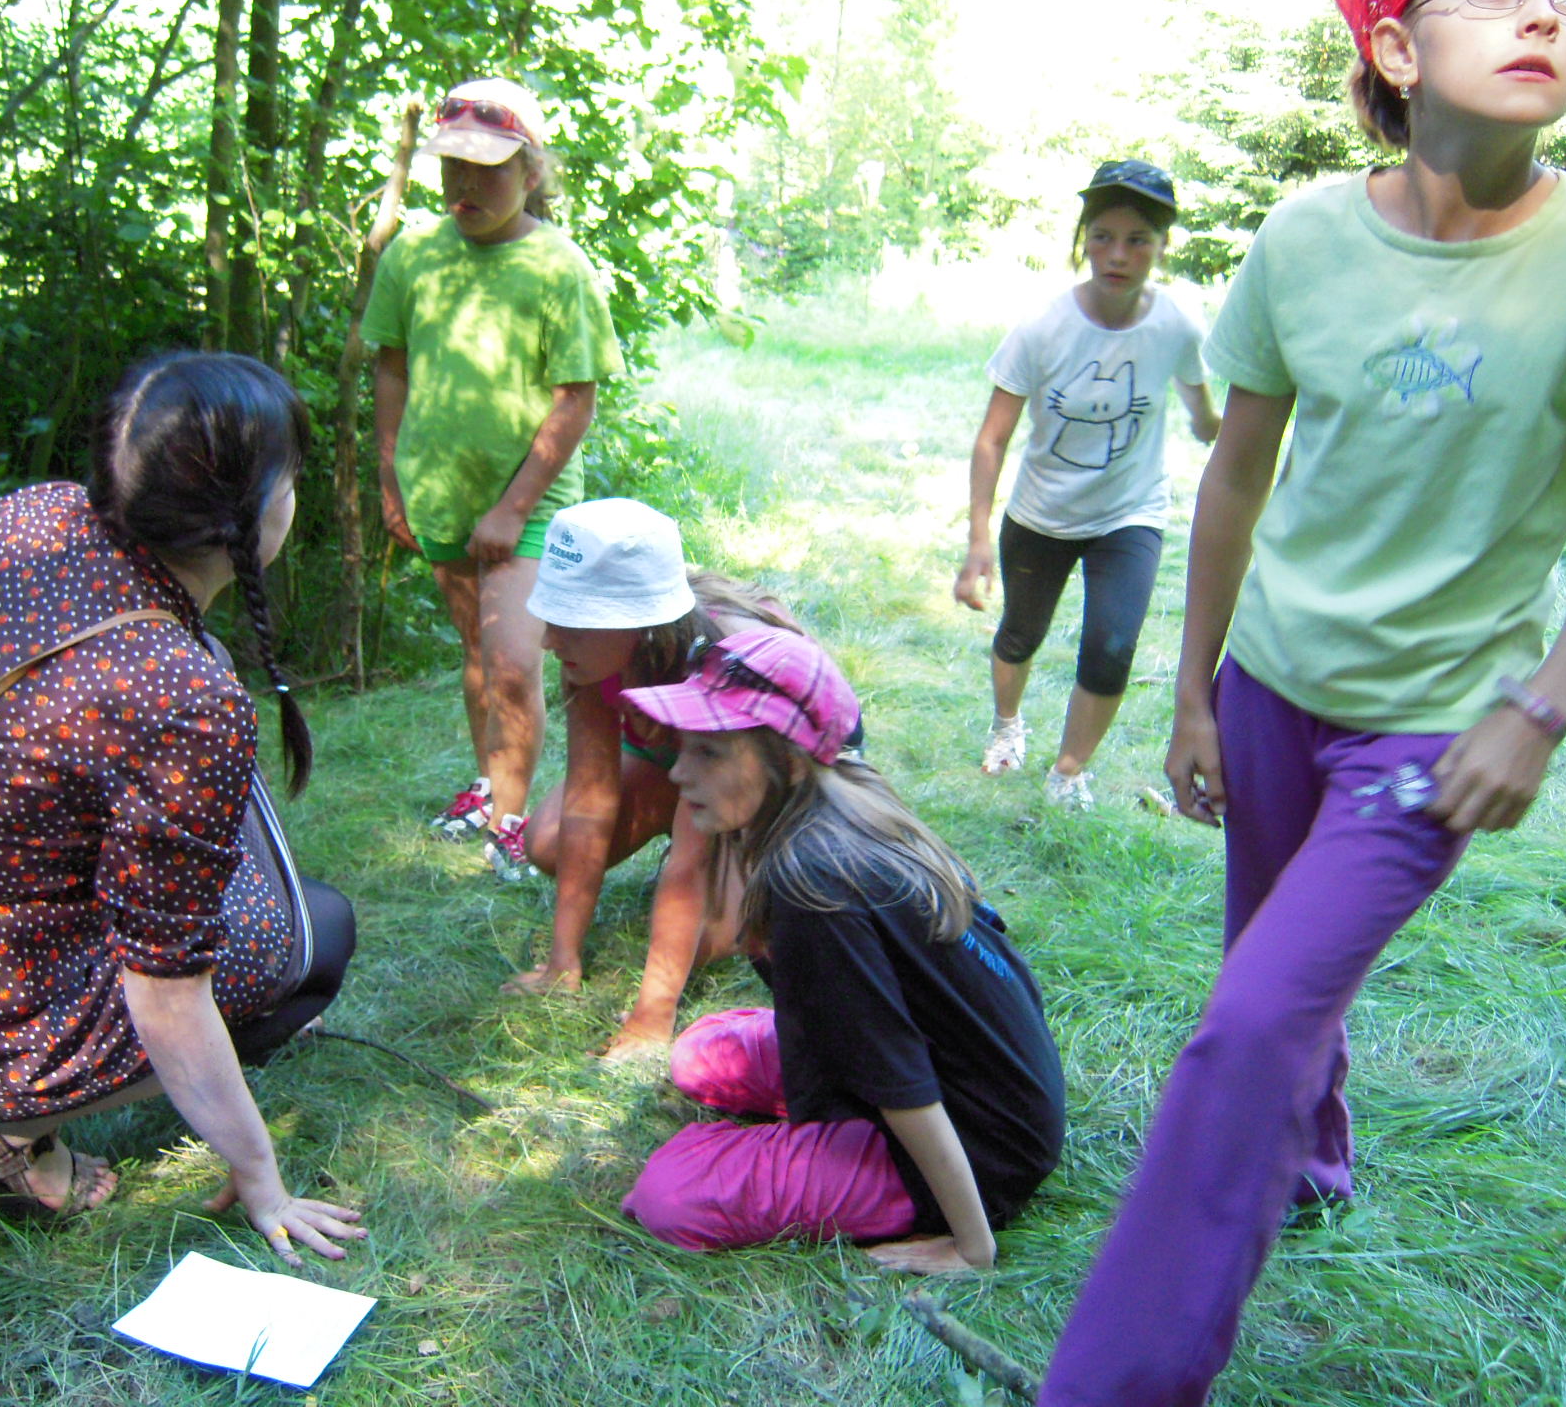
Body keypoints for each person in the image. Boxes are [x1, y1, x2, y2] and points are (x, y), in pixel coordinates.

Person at [1039, 0, 1566, 1402]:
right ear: (1395, 48)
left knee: (1246, 1025)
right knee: (1273, 970)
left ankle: (1114, 1383)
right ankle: (1315, 1154)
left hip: (1434, 731)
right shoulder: (1306, 238)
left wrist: (1542, 707)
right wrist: (1193, 696)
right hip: (1271, 689)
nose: (1543, 15)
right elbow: (1234, 477)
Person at [0, 353, 365, 1262]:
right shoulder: (181, 696)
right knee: (314, 936)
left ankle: (3, 1102)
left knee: (244, 910)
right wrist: (261, 1174)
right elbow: (166, 994)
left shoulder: (29, 518)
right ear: (250, 513)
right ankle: (1, 1132)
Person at [617, 630, 1065, 1271]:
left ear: (790, 761)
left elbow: (902, 1082)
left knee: (668, 1195)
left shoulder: (813, 887)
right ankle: (820, 1130)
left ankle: (867, 1168)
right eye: (684, 747)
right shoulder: (839, 792)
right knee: (698, 1054)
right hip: (982, 1081)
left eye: (709, 752)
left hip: (978, 1145)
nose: (678, 772)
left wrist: (973, 1245)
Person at [362, 77, 625, 881]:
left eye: (488, 169)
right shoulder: (413, 255)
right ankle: (489, 792)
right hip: (439, 492)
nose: (465, 185)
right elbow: (392, 369)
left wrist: (512, 509)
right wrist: (390, 479)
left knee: (512, 664)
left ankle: (511, 824)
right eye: (454, 166)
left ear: (531, 171)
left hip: (529, 503)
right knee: (478, 654)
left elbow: (575, 400)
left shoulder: (558, 267)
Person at [505, 498, 813, 1057]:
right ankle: (698, 838)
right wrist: (561, 963)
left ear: (636, 622)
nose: (549, 640)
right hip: (675, 749)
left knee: (714, 938)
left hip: (767, 783)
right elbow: (589, 798)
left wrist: (653, 1015)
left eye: (569, 621)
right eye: (551, 616)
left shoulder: (723, 666)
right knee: (548, 842)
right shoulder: (593, 654)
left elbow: (689, 862)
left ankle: (741, 857)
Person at [954, 160, 1219, 811]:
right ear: (1084, 240)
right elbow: (992, 438)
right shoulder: (1043, 327)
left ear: (1161, 247)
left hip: (1130, 514)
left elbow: (1202, 410)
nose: (1118, 255)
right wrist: (979, 538)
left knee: (1112, 645)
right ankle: (1007, 725)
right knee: (1020, 633)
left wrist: (1226, 425)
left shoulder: (1177, 326)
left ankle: (1069, 771)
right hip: (1041, 513)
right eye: (1103, 236)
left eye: (1137, 240)